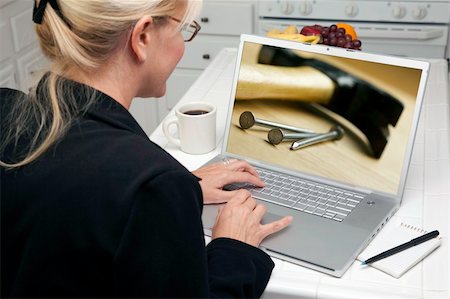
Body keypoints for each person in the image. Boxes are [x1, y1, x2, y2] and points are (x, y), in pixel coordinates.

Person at [0, 0, 292, 298]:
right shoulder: (151, 184)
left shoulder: (6, 109)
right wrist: (234, 248)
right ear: (142, 37)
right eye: (183, 30)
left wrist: (171, 194)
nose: (182, 45)